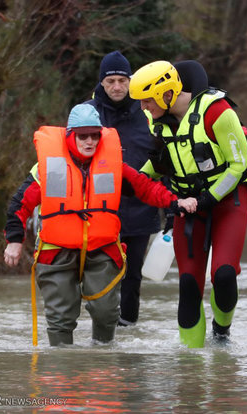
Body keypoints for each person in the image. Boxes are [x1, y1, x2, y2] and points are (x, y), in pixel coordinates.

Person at [3, 103, 197, 346]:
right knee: (60, 319)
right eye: (83, 136)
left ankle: (102, 366)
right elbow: (19, 205)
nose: (90, 141)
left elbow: (145, 188)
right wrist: (14, 240)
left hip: (102, 248)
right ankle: (62, 372)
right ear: (70, 136)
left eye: (95, 135)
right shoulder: (46, 167)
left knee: (107, 313)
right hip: (57, 251)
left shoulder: (114, 164)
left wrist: (175, 202)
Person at [129, 60, 247, 348]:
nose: (144, 108)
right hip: (188, 205)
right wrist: (135, 180)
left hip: (228, 198)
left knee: (223, 274)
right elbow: (161, 160)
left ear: (166, 94)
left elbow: (238, 165)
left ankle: (222, 331)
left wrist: (208, 198)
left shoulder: (218, 112)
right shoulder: (157, 121)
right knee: (189, 284)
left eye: (147, 101)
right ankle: (190, 369)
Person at [85, 50, 165, 327]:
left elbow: (164, 160)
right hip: (98, 209)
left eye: (122, 80)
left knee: (132, 275)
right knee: (100, 272)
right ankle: (101, 329)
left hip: (142, 208)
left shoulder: (149, 112)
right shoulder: (88, 113)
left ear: (131, 80)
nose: (117, 87)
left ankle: (129, 329)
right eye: (111, 82)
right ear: (102, 84)